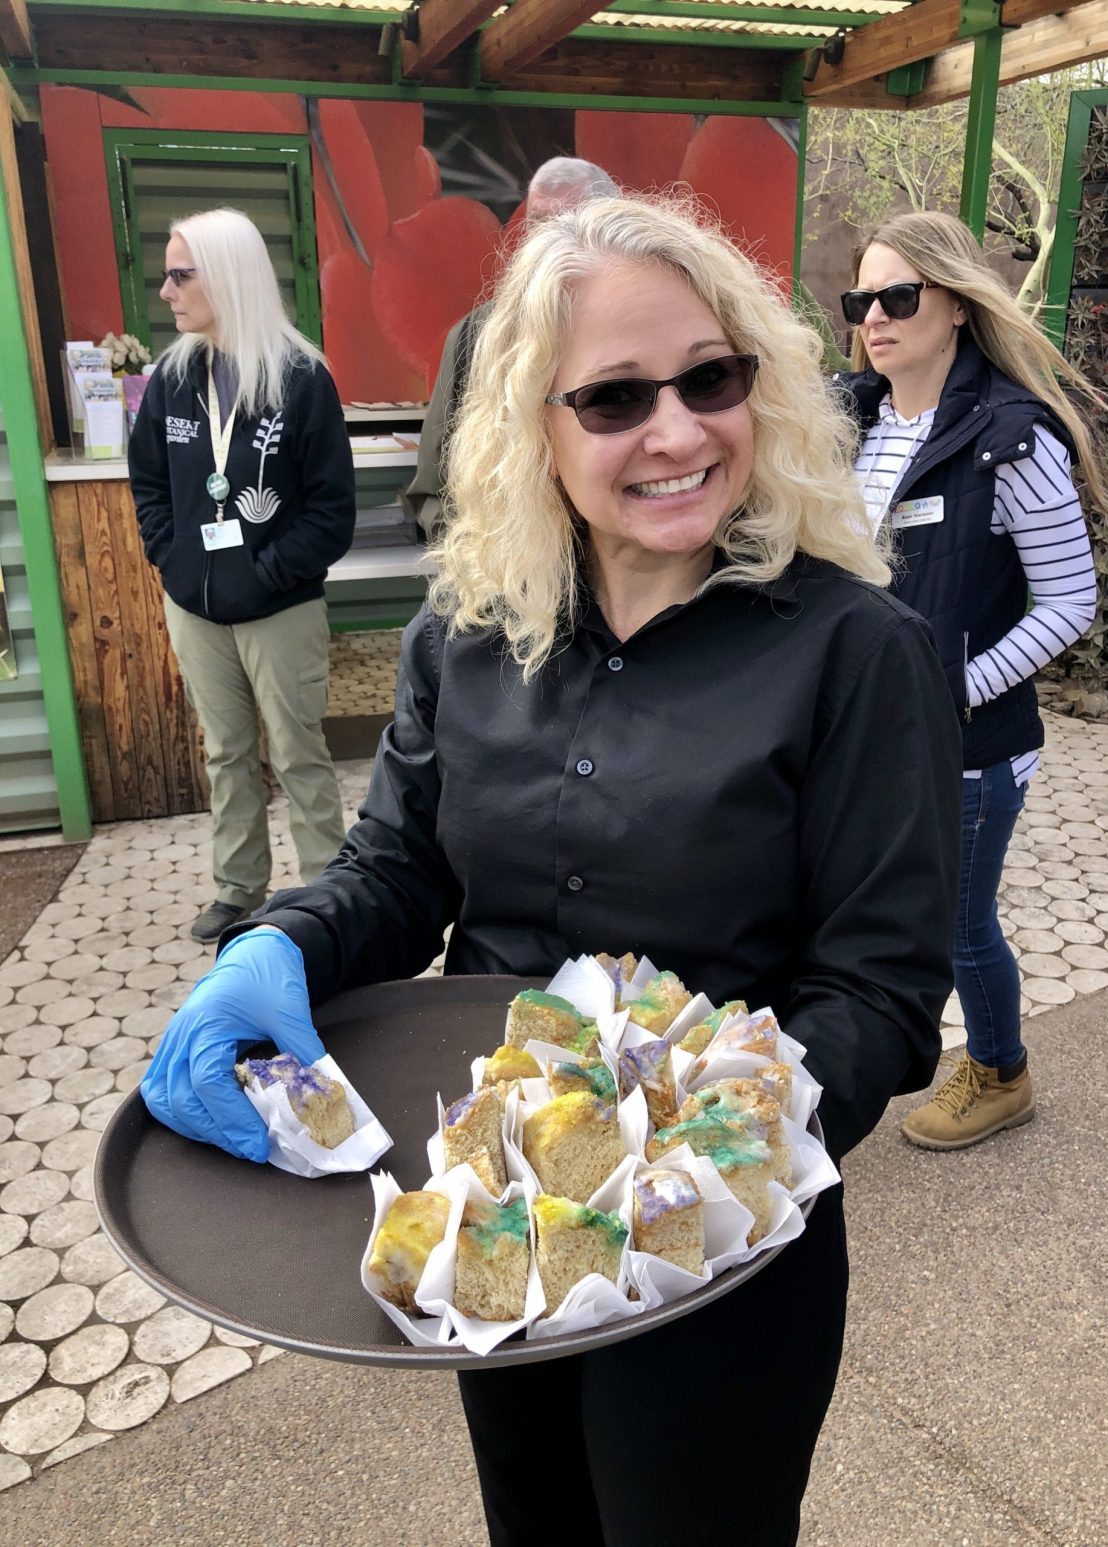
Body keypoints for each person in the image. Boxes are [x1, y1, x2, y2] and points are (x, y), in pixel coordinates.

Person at [141, 195, 962, 1546]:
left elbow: (877, 994)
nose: (679, 429)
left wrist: (697, 1153)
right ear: (535, 420)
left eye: (711, 378)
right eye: (615, 398)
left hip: (722, 1258)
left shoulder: (857, 651)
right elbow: (402, 867)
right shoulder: (467, 631)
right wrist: (281, 941)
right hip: (496, 1221)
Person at [835, 209, 1108, 1152]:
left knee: (957, 923)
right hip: (867, 736)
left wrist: (953, 691)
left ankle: (1001, 1071)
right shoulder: (853, 422)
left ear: (954, 302)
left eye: (898, 296)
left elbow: (1070, 602)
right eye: (861, 299)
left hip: (970, 748)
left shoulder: (1012, 440)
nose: (875, 317)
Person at [129, 207, 355, 944]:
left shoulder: (300, 379)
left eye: (180, 274)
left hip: (278, 606)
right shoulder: (172, 377)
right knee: (225, 751)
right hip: (194, 606)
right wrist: (172, 557)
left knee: (297, 752)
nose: (165, 290)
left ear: (227, 277)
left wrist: (263, 573)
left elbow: (330, 512)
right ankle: (238, 886)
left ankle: (329, 886)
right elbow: (150, 484)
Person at [402, 156, 619, 539]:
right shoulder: (478, 334)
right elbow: (435, 483)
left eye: (569, 222)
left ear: (613, 224)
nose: (549, 241)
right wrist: (477, 563)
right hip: (514, 571)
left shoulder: (652, 326)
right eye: (538, 225)